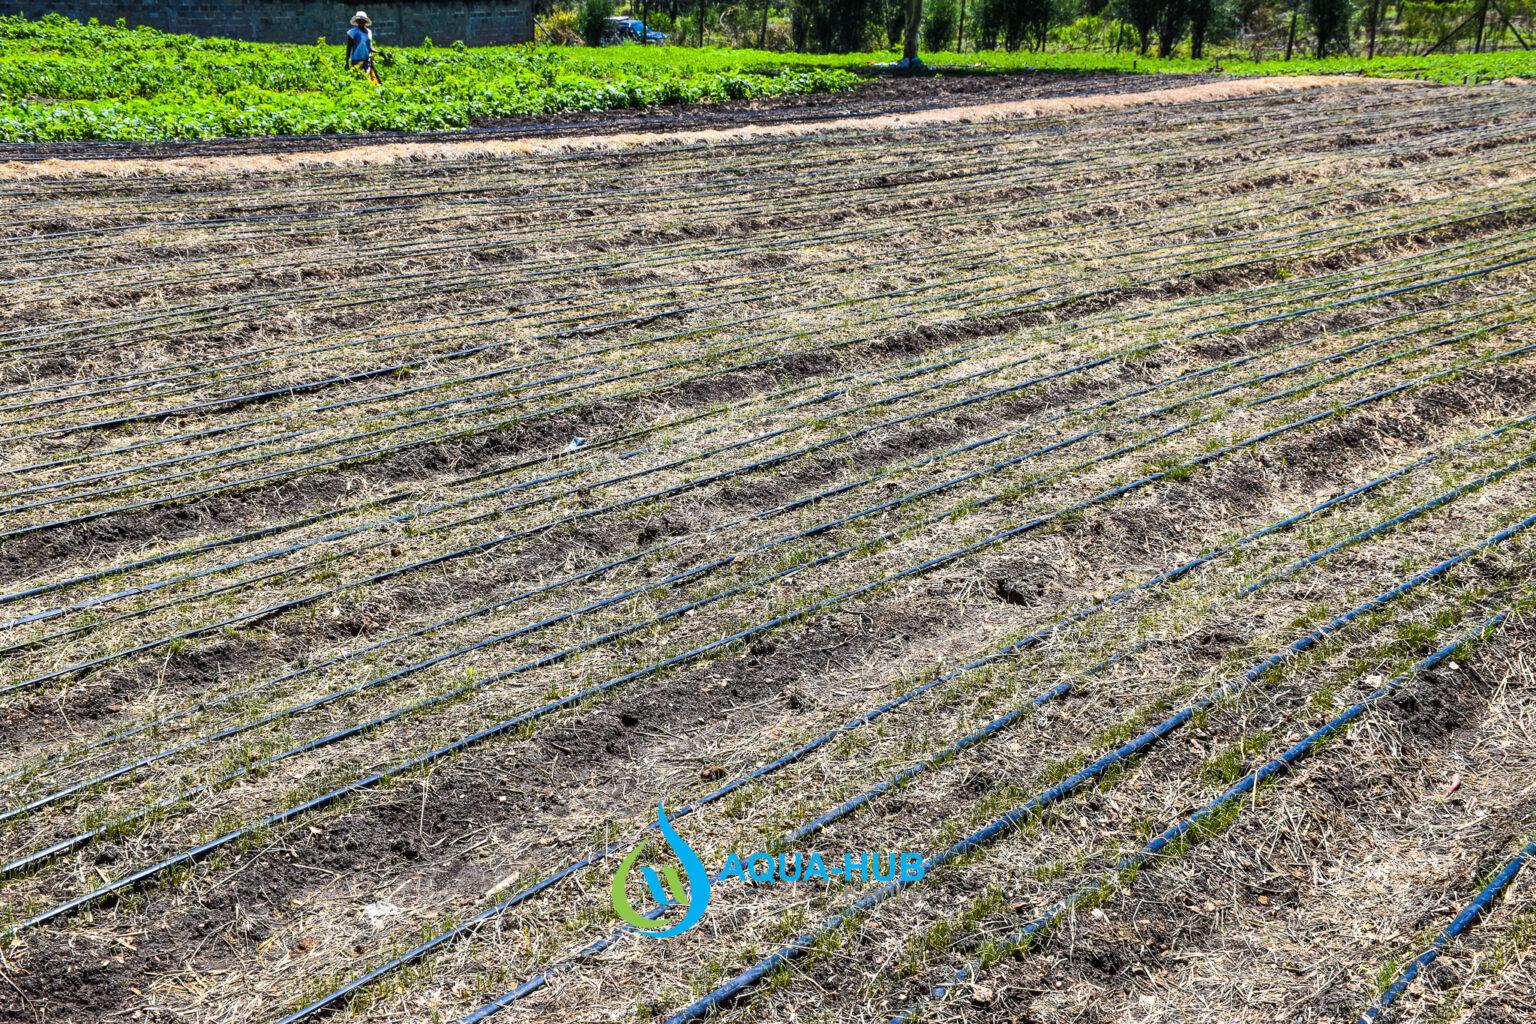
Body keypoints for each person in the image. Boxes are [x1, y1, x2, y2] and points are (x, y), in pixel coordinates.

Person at [346, 11, 380, 83]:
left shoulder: (369, 32)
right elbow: (349, 48)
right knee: (359, 80)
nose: (361, 22)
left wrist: (378, 52)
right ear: (357, 21)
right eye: (359, 20)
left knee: (369, 81)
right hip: (356, 61)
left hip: (367, 61)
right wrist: (346, 62)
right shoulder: (353, 32)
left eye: (362, 20)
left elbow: (370, 47)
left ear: (365, 21)